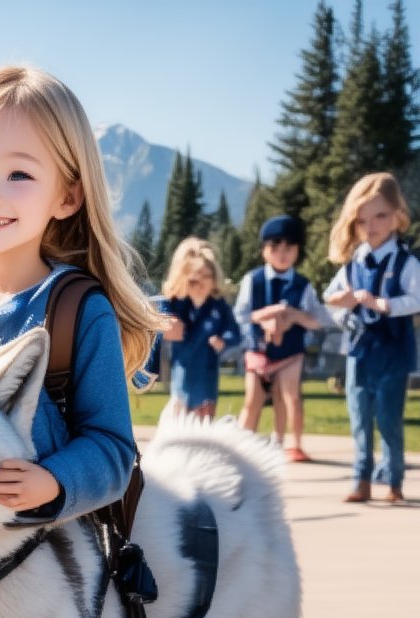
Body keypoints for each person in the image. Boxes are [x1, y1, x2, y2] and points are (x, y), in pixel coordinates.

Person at [0, 64, 160, 520]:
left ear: (68, 196)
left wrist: (55, 480)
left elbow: (112, 448)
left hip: (49, 563)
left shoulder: (79, 313)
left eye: (18, 174)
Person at [323, 173, 419, 504]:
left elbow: (417, 299)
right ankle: (360, 479)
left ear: (397, 215)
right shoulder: (353, 264)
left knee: (389, 418)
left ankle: (393, 481)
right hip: (359, 351)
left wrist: (384, 304)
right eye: (362, 220)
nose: (371, 226)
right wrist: (344, 307)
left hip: (392, 351)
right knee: (359, 416)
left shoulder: (406, 262)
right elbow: (331, 299)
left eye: (380, 215)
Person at [234, 214, 331, 462]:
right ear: (264, 251)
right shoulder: (252, 280)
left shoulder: (303, 285)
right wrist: (268, 314)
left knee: (289, 396)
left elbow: (317, 319)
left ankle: (291, 443)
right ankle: (242, 446)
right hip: (258, 349)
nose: (282, 253)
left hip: (290, 350)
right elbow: (241, 314)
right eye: (275, 246)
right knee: (252, 399)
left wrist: (293, 315)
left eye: (289, 247)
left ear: (297, 251)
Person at [159, 237, 239, 420]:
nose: (201, 284)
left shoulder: (218, 306)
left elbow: (234, 332)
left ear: (214, 278)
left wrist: (223, 341)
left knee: (204, 418)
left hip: (207, 372)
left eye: (206, 277)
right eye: (195, 280)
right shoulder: (176, 305)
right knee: (180, 416)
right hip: (182, 371)